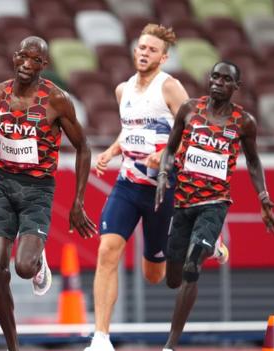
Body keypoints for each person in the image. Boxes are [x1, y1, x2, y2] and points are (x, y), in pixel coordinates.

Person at [0, 36, 97, 351]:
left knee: (22, 268)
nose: (27, 64)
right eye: (23, 57)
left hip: (37, 189)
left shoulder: (56, 100)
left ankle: (39, 264)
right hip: (2, 185)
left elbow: (83, 147)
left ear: (44, 65)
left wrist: (78, 202)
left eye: (35, 60)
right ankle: (13, 346)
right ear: (14, 58)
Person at [155, 61, 274, 351]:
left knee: (190, 268)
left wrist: (263, 198)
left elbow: (252, 161)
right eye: (215, 76)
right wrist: (163, 174)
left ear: (236, 87)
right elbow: (171, 150)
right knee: (172, 278)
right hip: (183, 202)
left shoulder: (243, 122)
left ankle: (170, 345)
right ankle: (215, 246)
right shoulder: (189, 110)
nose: (218, 83)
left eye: (226, 80)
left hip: (214, 203)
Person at [84, 24, 190, 351]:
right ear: (135, 50)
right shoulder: (123, 90)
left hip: (161, 191)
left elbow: (194, 132)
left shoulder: (170, 88)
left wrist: (166, 153)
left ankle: (190, 238)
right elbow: (129, 129)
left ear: (164, 56)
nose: (145, 53)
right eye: (142, 47)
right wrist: (113, 151)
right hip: (127, 185)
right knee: (106, 252)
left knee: (155, 276)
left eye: (152, 50)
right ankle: (101, 338)